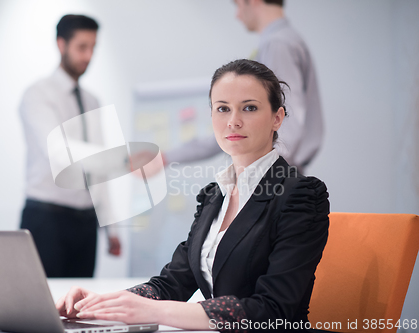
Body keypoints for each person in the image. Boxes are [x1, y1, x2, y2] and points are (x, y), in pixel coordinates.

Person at [56, 59, 330, 331]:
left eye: (249, 108)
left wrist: (155, 310)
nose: (233, 121)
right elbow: (173, 283)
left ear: (277, 118)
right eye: (223, 109)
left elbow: (273, 310)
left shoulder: (301, 195)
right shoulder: (214, 196)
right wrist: (104, 302)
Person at [162, 0, 323, 174]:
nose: (237, 15)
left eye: (238, 5)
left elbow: (288, 124)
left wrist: (265, 177)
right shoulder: (280, 42)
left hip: (273, 178)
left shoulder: (278, 45)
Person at [19, 14, 120, 278]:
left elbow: (99, 169)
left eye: (93, 48)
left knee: (79, 306)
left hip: (86, 222)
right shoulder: (38, 95)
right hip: (46, 218)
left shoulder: (92, 101)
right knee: (42, 305)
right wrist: (118, 159)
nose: (88, 56)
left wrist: (111, 226)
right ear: (61, 44)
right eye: (81, 47)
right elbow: (58, 152)